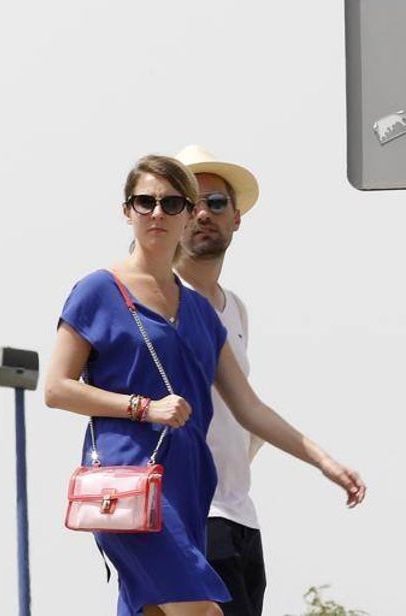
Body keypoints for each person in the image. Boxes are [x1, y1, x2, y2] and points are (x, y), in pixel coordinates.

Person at [44, 154, 366, 616]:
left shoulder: (200, 313)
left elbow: (249, 407)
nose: (157, 213)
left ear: (188, 212)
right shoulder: (100, 290)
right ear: (126, 211)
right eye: (145, 201)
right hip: (131, 485)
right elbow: (56, 388)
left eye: (172, 203)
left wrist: (323, 461)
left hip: (191, 488)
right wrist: (143, 407)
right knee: (205, 612)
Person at [173, 146, 265, 616]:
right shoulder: (159, 300)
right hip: (188, 515)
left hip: (239, 515)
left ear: (236, 218)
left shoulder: (236, 307)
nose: (203, 213)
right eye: (189, 203)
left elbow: (243, 410)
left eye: (216, 202)